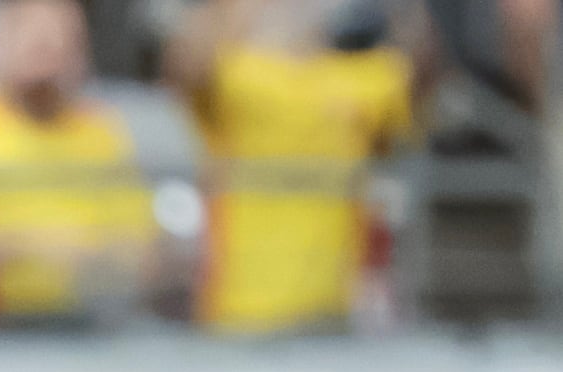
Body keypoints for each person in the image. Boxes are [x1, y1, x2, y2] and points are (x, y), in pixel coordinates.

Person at [166, 0, 422, 333]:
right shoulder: (240, 79)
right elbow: (185, 66)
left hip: (331, 317)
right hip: (239, 315)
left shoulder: (362, 81)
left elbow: (422, 67)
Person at [0, 0, 155, 322]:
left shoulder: (101, 132)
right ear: (2, 42)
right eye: (38, 45)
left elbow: (143, 253)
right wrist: (37, 245)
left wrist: (90, 258)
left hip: (91, 323)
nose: (51, 61)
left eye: (64, 44)